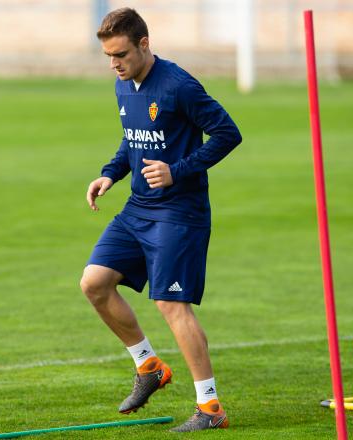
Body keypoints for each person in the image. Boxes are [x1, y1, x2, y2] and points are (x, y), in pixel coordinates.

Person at [80, 7, 242, 432]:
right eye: (108, 57)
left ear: (144, 45)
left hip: (180, 212)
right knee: (94, 284)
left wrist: (178, 170)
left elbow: (228, 134)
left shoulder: (178, 85)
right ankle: (149, 367)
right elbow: (133, 137)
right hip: (138, 209)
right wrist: (110, 173)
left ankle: (210, 409)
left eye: (121, 54)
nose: (114, 64)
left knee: (171, 303)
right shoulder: (124, 85)